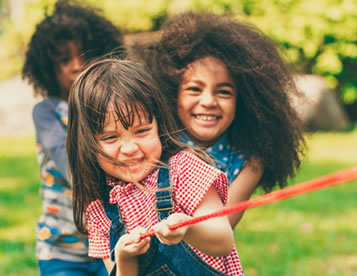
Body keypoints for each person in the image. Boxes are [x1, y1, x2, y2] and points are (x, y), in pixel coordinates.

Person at [66, 58, 244, 275]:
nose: (130, 148)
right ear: (87, 144)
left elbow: (223, 240)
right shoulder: (99, 206)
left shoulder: (183, 169)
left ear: (159, 125)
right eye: (111, 137)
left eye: (141, 131)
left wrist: (188, 228)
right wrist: (124, 258)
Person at [146, 11, 306, 228]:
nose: (209, 101)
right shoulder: (156, 141)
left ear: (244, 101)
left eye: (223, 92)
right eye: (194, 89)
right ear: (172, 94)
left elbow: (222, 228)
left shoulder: (250, 161)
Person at [21, 0, 124, 275]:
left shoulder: (114, 109)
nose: (77, 66)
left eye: (85, 55)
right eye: (64, 60)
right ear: (47, 68)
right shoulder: (47, 113)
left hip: (114, 243)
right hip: (61, 249)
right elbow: (69, 163)